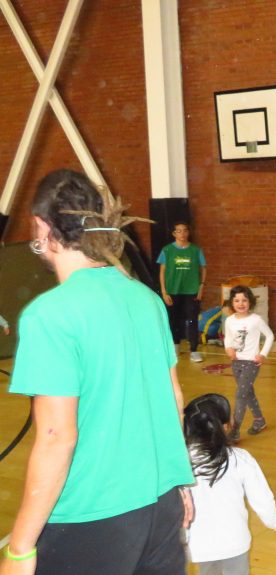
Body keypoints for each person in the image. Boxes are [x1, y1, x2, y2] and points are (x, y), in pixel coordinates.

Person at [2, 169, 194, 575]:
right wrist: (179, 480)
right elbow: (173, 397)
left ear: (42, 228)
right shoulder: (145, 299)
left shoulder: (49, 315)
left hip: (90, 517)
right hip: (160, 507)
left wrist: (19, 548)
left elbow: (56, 437)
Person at [184, 394, 276, 575]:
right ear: (223, 427)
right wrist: (274, 521)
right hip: (235, 541)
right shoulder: (240, 459)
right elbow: (261, 497)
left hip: (199, 544)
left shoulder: (180, 463)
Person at [224, 285, 275, 441]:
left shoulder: (256, 320)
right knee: (247, 393)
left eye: (244, 300)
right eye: (237, 300)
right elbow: (228, 337)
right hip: (236, 363)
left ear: (250, 302)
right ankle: (259, 420)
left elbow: (270, 336)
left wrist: (262, 354)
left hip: (251, 363)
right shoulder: (229, 320)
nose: (241, 304)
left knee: (240, 394)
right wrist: (228, 348)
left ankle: (235, 430)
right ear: (232, 303)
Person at [157, 221, 207, 363]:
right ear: (174, 234)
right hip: (173, 290)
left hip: (192, 290)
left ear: (188, 232)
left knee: (192, 320)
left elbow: (204, 268)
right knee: (173, 319)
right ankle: (175, 346)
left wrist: (201, 286)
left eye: (185, 230)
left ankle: (194, 350)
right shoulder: (167, 250)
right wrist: (164, 292)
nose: (182, 233)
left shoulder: (196, 250)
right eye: (179, 231)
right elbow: (162, 272)